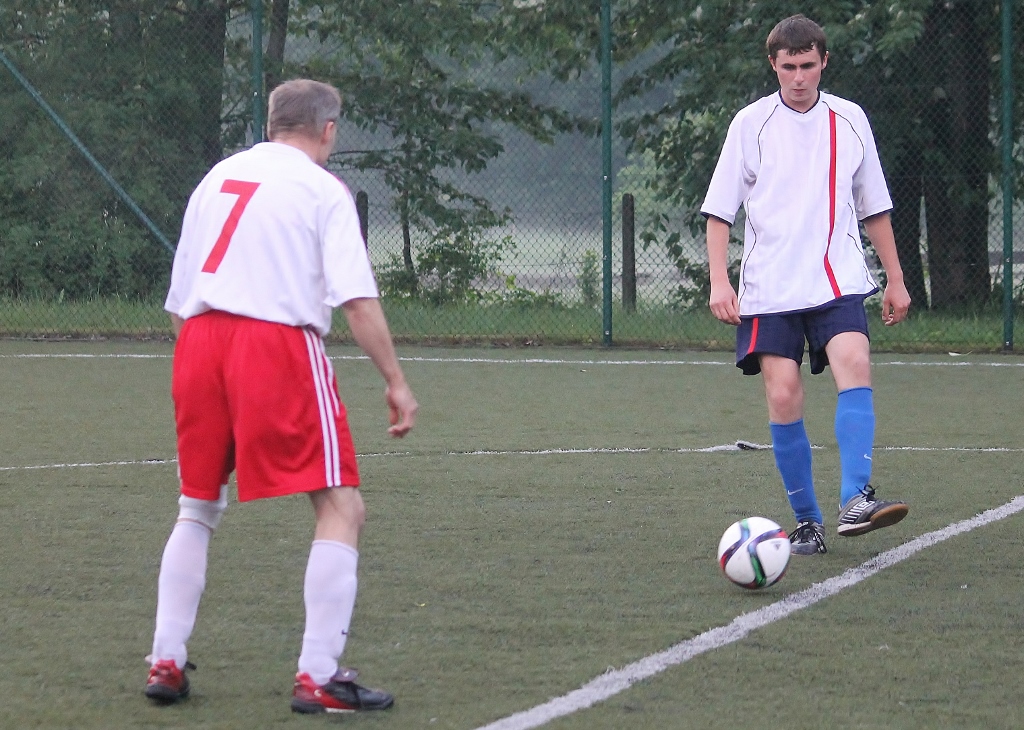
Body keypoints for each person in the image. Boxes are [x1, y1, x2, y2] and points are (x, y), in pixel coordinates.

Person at [145, 78, 418, 714]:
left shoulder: (216, 179)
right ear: (328, 130)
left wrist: (214, 364)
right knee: (342, 506)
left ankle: (166, 661)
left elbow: (180, 299)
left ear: (271, 124)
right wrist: (396, 381)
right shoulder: (321, 188)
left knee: (196, 506)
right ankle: (319, 676)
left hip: (198, 344)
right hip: (273, 344)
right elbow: (356, 301)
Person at [701, 15, 911, 556]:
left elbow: (874, 206)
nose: (799, 77)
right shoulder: (751, 123)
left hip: (836, 277)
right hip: (769, 285)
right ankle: (808, 523)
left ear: (824, 62)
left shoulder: (850, 118)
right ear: (773, 64)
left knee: (855, 363)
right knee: (783, 393)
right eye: (789, 66)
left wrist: (895, 278)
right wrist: (719, 281)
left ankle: (855, 499)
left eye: (808, 66)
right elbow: (719, 212)